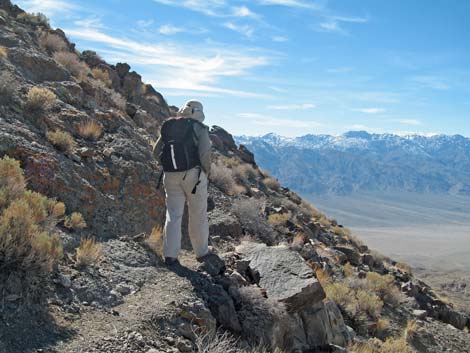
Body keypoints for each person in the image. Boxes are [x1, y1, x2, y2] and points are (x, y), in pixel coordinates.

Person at [153, 100, 211, 265]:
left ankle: (170, 255)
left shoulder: (170, 126)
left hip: (170, 176)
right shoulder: (199, 128)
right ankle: (201, 253)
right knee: (197, 214)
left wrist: (168, 165)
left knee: (173, 214)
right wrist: (206, 172)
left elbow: (156, 152)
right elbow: (205, 154)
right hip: (193, 176)